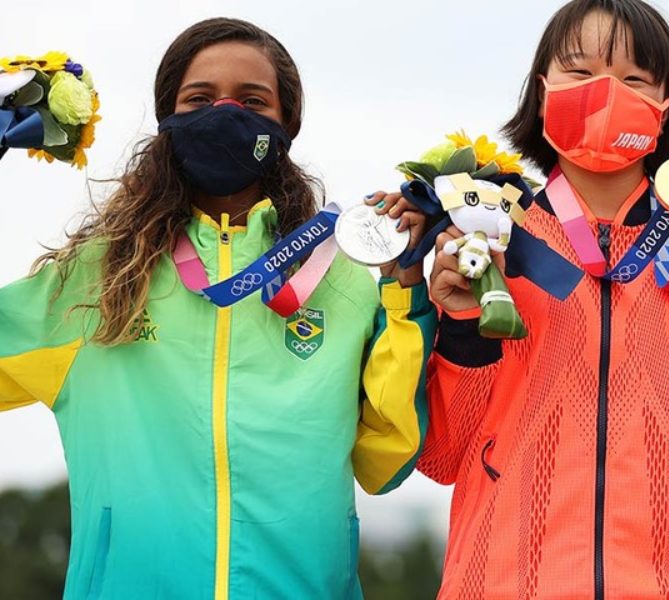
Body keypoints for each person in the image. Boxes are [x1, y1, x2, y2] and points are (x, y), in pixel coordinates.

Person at [0, 17, 435, 599]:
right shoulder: (98, 279)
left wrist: (404, 283)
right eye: (200, 98)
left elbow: (386, 463)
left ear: (287, 127)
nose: (226, 112)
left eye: (254, 101)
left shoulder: (340, 279)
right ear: (169, 122)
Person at [418, 0, 669, 597]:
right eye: (580, 72)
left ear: (665, 110)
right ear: (542, 92)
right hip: (503, 580)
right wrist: (461, 319)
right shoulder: (490, 235)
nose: (605, 92)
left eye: (633, 79)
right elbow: (442, 454)